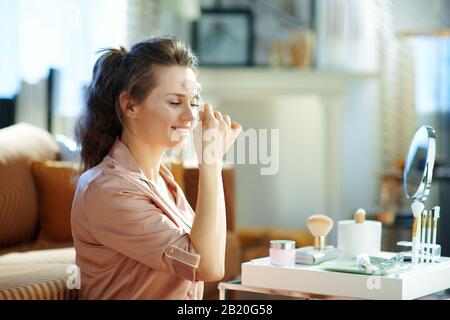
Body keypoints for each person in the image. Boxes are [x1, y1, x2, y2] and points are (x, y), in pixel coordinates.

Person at [71, 37, 241, 299]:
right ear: (129, 105)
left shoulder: (162, 179)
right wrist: (211, 162)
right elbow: (207, 265)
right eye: (175, 102)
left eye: (193, 102)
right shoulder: (107, 189)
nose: (190, 116)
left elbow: (205, 251)